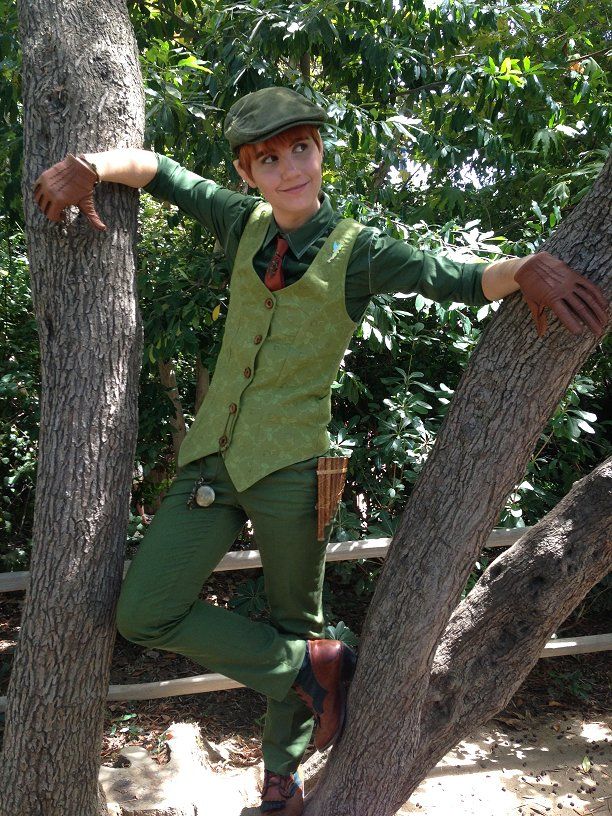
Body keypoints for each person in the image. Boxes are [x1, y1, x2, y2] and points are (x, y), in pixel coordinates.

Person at [33, 87, 608, 815]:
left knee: (296, 618)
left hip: (303, 470)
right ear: (249, 173)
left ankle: (281, 778)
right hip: (211, 459)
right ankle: (311, 671)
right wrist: (91, 164)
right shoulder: (239, 221)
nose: (289, 169)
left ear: (320, 152)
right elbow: (158, 170)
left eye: (300, 149)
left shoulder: (358, 250)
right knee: (144, 612)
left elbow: (455, 277)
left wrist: (524, 266)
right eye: (268, 159)